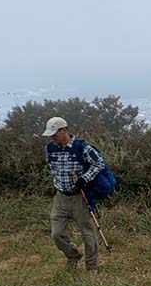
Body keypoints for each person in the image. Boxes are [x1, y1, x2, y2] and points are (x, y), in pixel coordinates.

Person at [43, 116, 106, 271]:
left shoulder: (82, 147)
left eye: (54, 134)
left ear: (63, 130)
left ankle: (92, 268)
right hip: (60, 197)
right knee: (56, 233)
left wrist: (84, 179)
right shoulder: (50, 148)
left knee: (88, 234)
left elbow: (99, 163)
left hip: (80, 197)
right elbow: (52, 167)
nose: (52, 137)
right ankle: (73, 255)